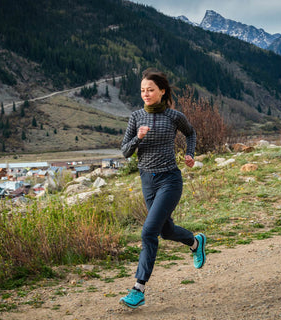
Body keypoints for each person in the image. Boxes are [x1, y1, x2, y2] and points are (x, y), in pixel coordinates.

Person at [119, 68, 207, 309]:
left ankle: (138, 289)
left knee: (148, 232)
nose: (145, 94)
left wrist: (190, 153)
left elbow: (191, 133)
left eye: (150, 90)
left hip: (170, 179)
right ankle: (195, 242)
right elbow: (125, 151)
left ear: (162, 91)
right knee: (165, 231)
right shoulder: (136, 117)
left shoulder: (174, 116)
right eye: (142, 91)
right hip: (147, 180)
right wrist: (138, 138)